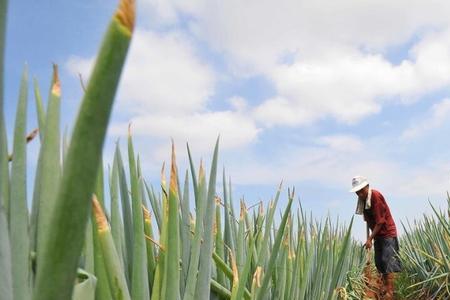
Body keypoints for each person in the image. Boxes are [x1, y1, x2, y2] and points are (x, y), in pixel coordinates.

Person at [350, 176, 401, 300]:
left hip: (387, 232)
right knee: (380, 262)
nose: (360, 194)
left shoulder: (375, 196)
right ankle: (384, 287)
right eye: (357, 192)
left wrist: (370, 239)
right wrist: (370, 237)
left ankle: (390, 292)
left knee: (387, 262)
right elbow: (368, 221)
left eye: (361, 190)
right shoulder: (363, 201)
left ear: (367, 187)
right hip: (377, 234)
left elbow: (380, 221)